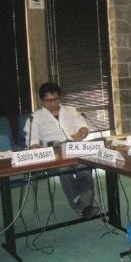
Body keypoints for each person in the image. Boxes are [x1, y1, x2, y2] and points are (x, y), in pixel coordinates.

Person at [25, 82, 99, 219]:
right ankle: (83, 205)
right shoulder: (35, 117)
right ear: (42, 100)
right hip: (54, 153)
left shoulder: (71, 110)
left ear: (60, 98)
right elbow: (32, 142)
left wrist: (81, 133)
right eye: (49, 100)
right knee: (65, 170)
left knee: (84, 167)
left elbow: (84, 127)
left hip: (74, 148)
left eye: (56, 99)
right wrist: (36, 147)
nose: (53, 103)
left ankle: (82, 204)